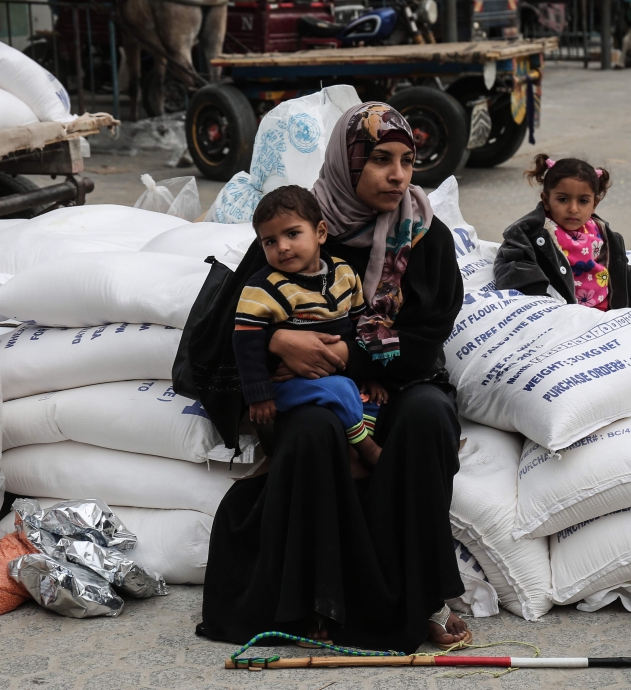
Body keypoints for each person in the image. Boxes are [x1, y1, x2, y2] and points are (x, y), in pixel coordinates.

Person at [195, 102, 471, 654]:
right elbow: (233, 319)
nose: (398, 175)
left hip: (399, 382)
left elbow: (424, 339)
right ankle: (317, 603)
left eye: (407, 161)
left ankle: (419, 603)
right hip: (310, 394)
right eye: (380, 161)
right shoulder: (296, 227)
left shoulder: (425, 237)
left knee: (428, 416)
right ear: (347, 165)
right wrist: (277, 340)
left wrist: (346, 353)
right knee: (314, 430)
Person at [234, 184, 386, 471]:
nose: (282, 247)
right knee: (341, 391)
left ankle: (350, 447)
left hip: (337, 373)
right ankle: (366, 449)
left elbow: (361, 326)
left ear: (320, 232)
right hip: (289, 385)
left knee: (372, 400)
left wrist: (369, 374)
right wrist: (259, 393)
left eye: (292, 233)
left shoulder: (345, 274)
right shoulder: (263, 287)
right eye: (269, 241)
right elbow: (246, 341)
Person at [493, 155, 631, 313]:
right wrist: (539, 297)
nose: (573, 209)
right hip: (566, 313)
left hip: (604, 308)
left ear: (595, 204)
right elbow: (512, 261)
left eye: (583, 201)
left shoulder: (599, 230)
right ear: (546, 200)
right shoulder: (531, 231)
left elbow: (614, 271)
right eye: (563, 199)